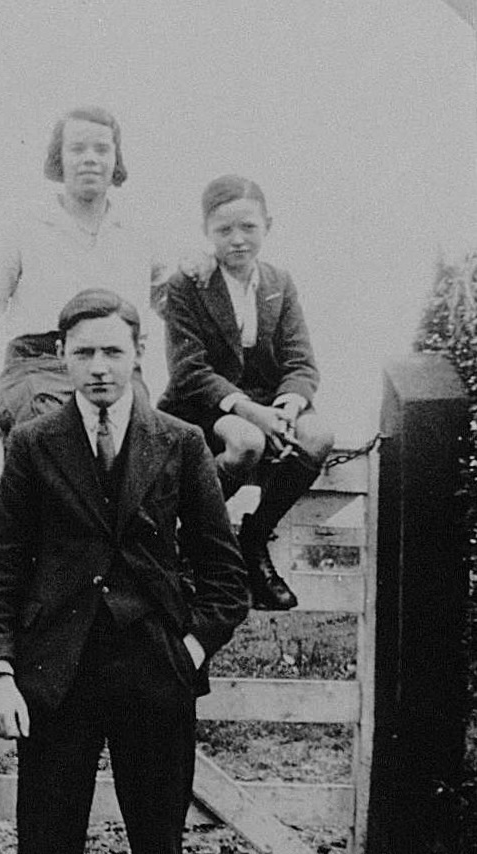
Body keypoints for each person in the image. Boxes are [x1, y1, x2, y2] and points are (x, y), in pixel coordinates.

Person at [0, 289, 248, 854]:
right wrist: (1, 673)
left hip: (155, 671)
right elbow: (3, 570)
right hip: (57, 676)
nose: (99, 365)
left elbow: (226, 575)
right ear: (63, 358)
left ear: (138, 355)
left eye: (113, 351)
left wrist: (190, 647)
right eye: (84, 352)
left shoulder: (180, 443)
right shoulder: (34, 442)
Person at [0, 105, 165, 435]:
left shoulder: (139, 233)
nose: (90, 158)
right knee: (53, 436)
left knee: (144, 446)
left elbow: (173, 299)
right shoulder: (25, 227)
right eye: (77, 149)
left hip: (117, 371)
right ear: (59, 158)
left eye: (101, 149)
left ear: (116, 158)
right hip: (38, 367)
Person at [159, 175, 334, 611]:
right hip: (204, 404)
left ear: (267, 226)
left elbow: (301, 361)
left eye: (248, 228)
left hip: (267, 403)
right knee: (246, 441)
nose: (237, 240)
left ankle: (253, 542)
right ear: (206, 233)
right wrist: (251, 412)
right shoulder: (188, 284)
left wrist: (287, 406)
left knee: (318, 435)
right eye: (223, 230)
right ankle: (190, 540)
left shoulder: (279, 281)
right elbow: (188, 370)